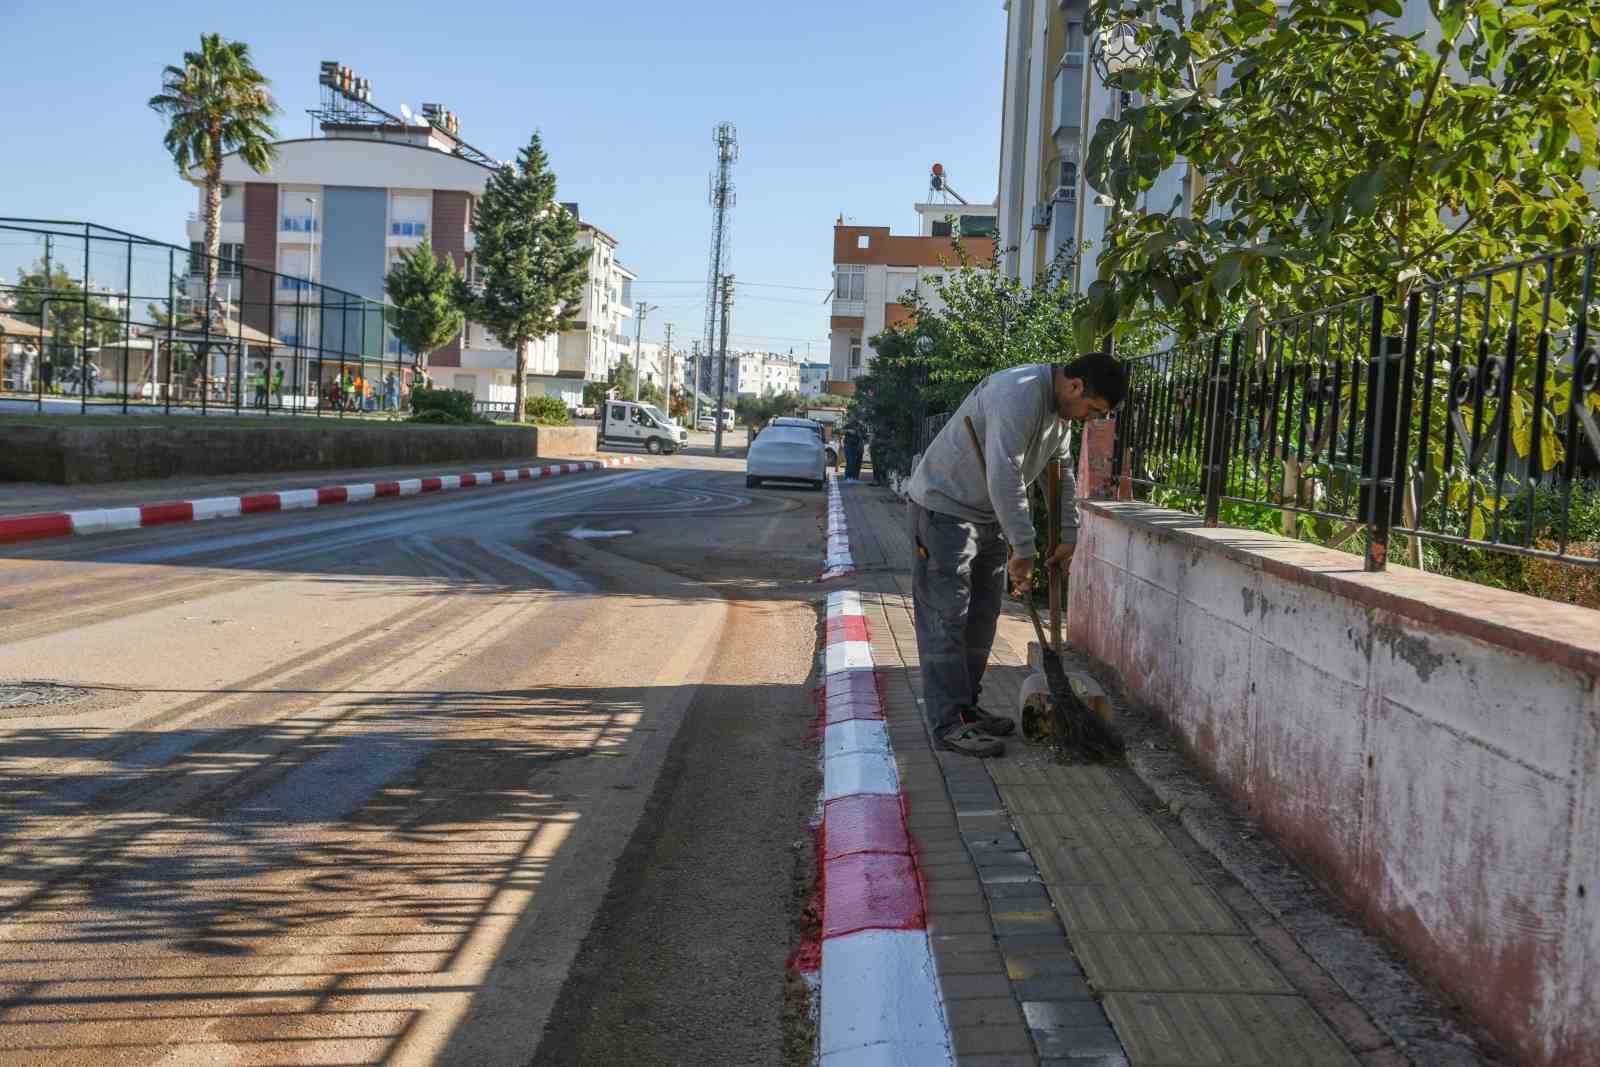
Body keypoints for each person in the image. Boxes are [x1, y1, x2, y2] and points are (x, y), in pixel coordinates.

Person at [904, 353, 1127, 758]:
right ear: (1075, 386)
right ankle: (947, 724)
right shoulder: (1019, 392)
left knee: (981, 621)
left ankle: (965, 710)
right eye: (1091, 410)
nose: (1086, 419)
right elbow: (1004, 472)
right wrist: (1024, 548)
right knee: (946, 620)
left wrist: (1067, 534)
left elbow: (1058, 468)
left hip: (986, 516)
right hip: (944, 511)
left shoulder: (1059, 414)